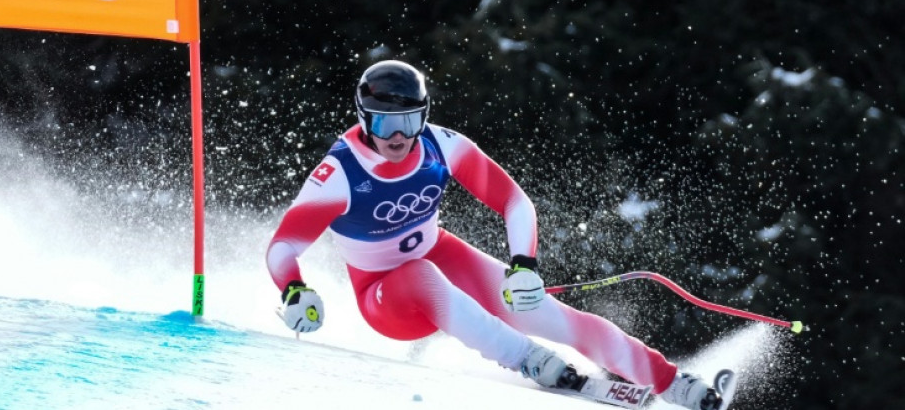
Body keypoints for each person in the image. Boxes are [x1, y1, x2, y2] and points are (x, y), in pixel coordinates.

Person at [266, 60, 725, 410]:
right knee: (421, 274)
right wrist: (294, 290)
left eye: (410, 121)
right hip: (385, 295)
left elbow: (513, 201)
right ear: (365, 119)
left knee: (542, 309)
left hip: (440, 255)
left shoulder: (442, 147)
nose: (398, 136)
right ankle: (528, 359)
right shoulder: (339, 174)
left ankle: (675, 383)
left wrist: (524, 265)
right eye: (386, 122)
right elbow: (283, 246)